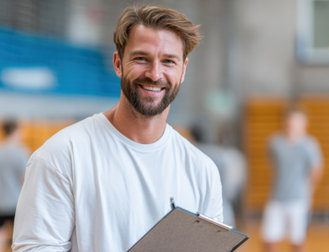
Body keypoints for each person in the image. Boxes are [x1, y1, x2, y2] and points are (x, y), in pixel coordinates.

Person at [12, 5, 223, 252]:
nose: (155, 74)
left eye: (168, 61)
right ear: (118, 63)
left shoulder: (202, 170)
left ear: (183, 70)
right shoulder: (62, 156)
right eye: (141, 58)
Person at [261, 108, 323, 252]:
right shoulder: (275, 143)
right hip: (276, 197)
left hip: (298, 199)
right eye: (290, 120)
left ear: (304, 123)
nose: (292, 124)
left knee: (297, 240)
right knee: (269, 238)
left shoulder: (309, 145)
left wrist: (308, 191)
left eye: (297, 120)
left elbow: (316, 170)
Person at [0, 120, 29, 252]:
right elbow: (25, 179)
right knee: (22, 237)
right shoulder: (21, 152)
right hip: (17, 202)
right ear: (16, 130)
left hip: (0, 201)